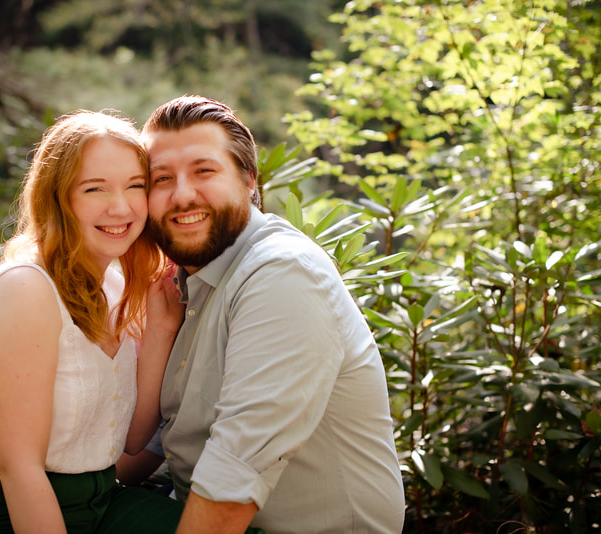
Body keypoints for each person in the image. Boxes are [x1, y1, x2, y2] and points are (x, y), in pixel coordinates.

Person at [136, 95, 406, 533]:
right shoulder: (186, 286)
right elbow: (153, 446)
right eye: (161, 179)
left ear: (248, 181)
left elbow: (232, 479)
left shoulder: (281, 273)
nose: (182, 195)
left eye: (204, 171)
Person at [0, 110, 187, 533]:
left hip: (99, 499)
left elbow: (134, 440)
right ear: (57, 198)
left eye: (134, 186)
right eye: (94, 188)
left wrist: (159, 329)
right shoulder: (25, 291)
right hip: (0, 509)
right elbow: (19, 470)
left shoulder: (118, 283)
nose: (119, 206)